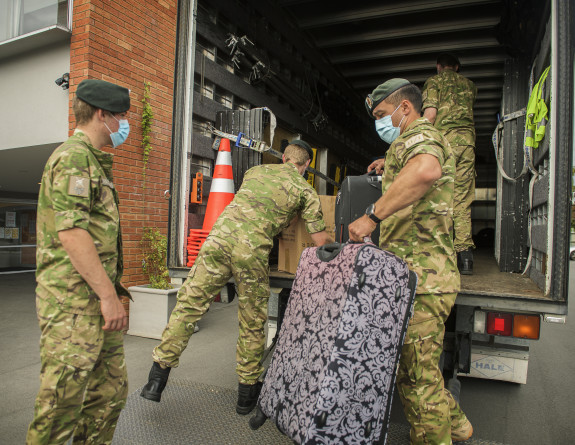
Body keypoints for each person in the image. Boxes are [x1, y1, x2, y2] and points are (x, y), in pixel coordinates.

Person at [141, 140, 333, 415]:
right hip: (250, 251)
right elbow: (318, 241)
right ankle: (246, 395)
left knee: (188, 307)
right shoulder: (305, 190)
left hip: (217, 241)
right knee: (252, 319)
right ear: (306, 166)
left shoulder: (254, 172)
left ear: (284, 159)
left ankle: (155, 381)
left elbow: (256, 203)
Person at [349, 78, 472, 444]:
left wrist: (372, 216)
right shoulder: (410, 141)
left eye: (383, 115)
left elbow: (426, 171)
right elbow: (416, 173)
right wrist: (391, 165)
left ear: (406, 108)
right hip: (416, 275)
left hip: (424, 278)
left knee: (416, 380)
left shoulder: (421, 134)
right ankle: (460, 425)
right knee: (419, 371)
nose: (379, 124)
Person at [27, 79, 131, 444]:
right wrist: (107, 297)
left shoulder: (94, 161)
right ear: (102, 115)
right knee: (61, 405)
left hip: (97, 305)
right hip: (73, 305)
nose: (123, 125)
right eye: (120, 116)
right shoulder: (73, 157)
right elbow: (72, 234)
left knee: (109, 394)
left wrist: (113, 295)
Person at [422, 53, 478, 275]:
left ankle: (440, 254)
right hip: (467, 145)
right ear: (457, 67)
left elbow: (431, 114)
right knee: (462, 199)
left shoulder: (434, 82)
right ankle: (465, 259)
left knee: (439, 197)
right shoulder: (470, 86)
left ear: (438, 66)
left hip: (445, 145)